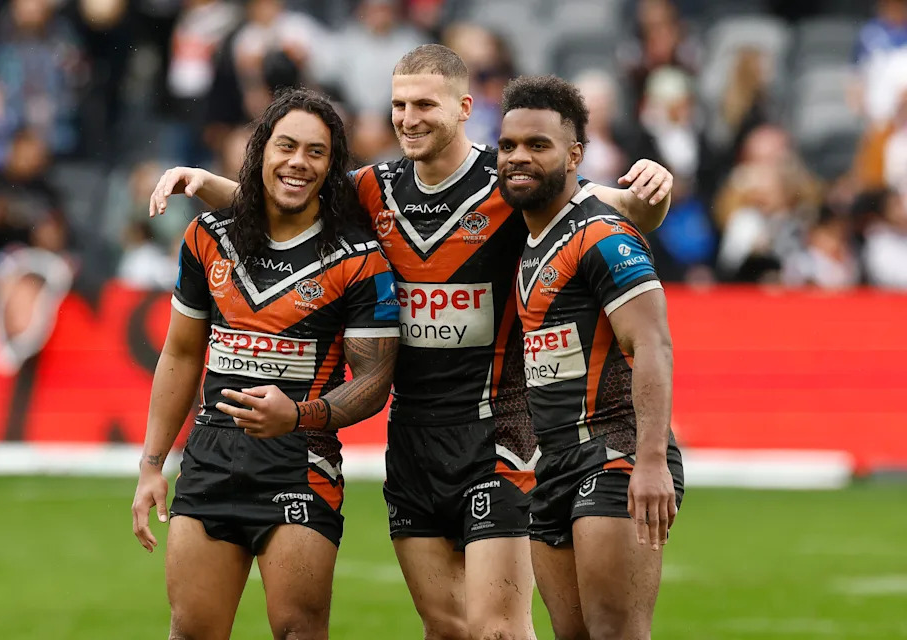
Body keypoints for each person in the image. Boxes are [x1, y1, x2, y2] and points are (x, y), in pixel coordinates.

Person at [148, 45, 674, 640]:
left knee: (498, 630)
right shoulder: (373, 189)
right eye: (399, 105)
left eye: (425, 104)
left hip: (500, 432)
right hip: (413, 439)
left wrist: (655, 190)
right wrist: (207, 184)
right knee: (445, 627)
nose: (408, 118)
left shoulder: (510, 181)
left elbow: (620, 211)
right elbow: (287, 198)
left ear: (464, 108)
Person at [130, 88, 400, 640]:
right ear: (261, 151)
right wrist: (152, 464)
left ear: (332, 166)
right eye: (286, 146)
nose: (299, 162)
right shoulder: (208, 236)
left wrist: (296, 416)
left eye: (316, 152)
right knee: (191, 631)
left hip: (300, 465)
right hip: (209, 461)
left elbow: (375, 381)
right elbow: (181, 353)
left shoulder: (358, 259)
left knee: (299, 630)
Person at [497, 74, 684, 640]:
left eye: (538, 145)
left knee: (616, 633)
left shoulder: (603, 235)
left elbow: (652, 344)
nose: (518, 157)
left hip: (614, 454)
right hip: (552, 462)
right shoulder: (531, 237)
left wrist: (650, 461)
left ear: (575, 155)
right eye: (508, 145)